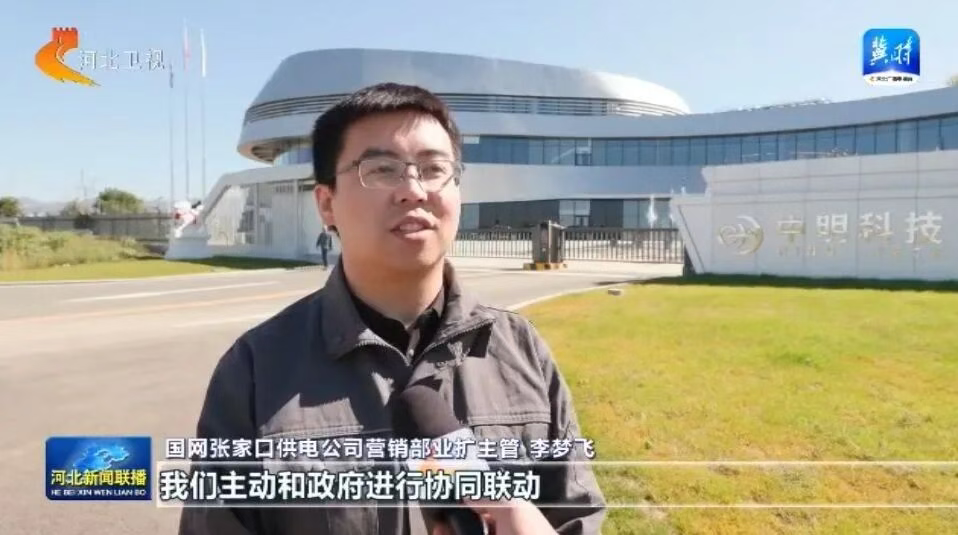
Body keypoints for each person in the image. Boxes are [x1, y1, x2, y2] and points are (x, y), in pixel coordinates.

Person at [177, 82, 606, 535]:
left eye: (434, 169)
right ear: (327, 204)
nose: (413, 190)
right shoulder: (256, 369)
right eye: (381, 170)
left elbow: (577, 516)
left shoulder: (520, 351)